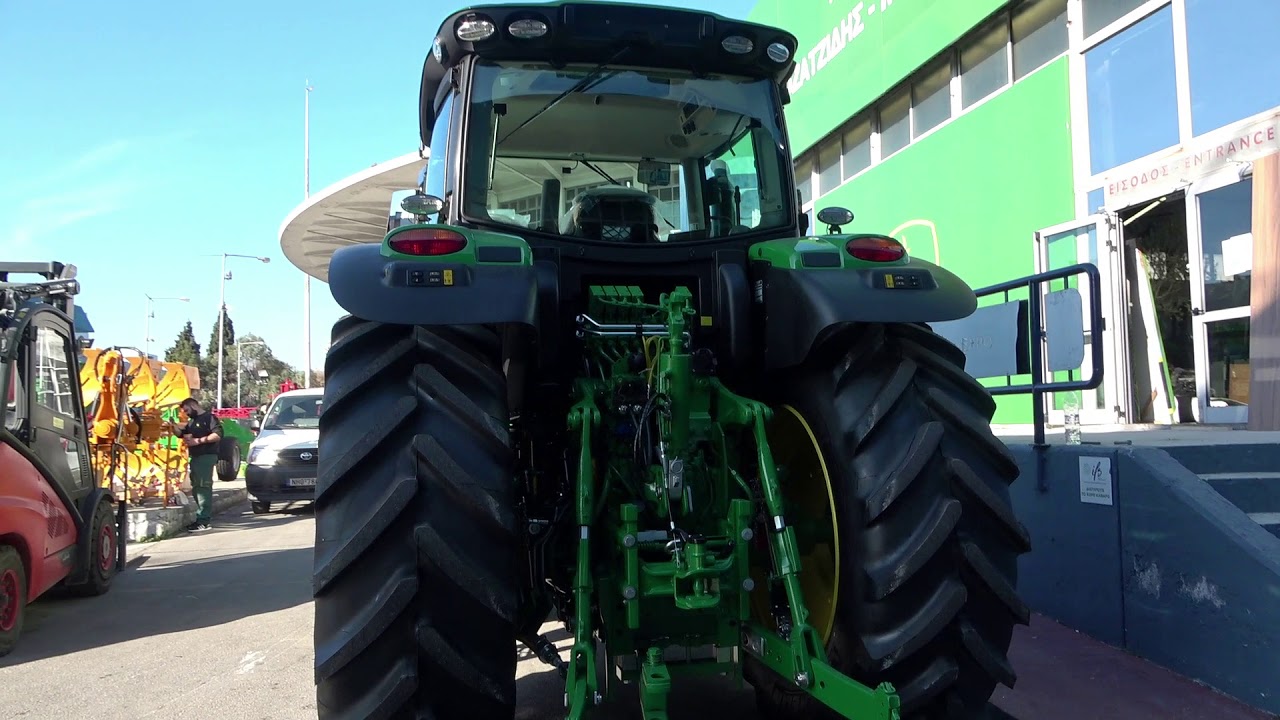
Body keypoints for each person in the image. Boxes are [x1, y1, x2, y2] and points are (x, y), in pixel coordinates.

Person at [178, 397, 221, 531]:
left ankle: (203, 520)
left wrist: (199, 441)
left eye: (187, 410)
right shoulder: (192, 422)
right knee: (196, 487)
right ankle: (201, 518)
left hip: (206, 456)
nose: (186, 413)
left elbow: (218, 435)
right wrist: (172, 426)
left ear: (193, 405)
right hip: (196, 457)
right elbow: (181, 434)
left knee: (203, 487)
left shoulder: (209, 418)